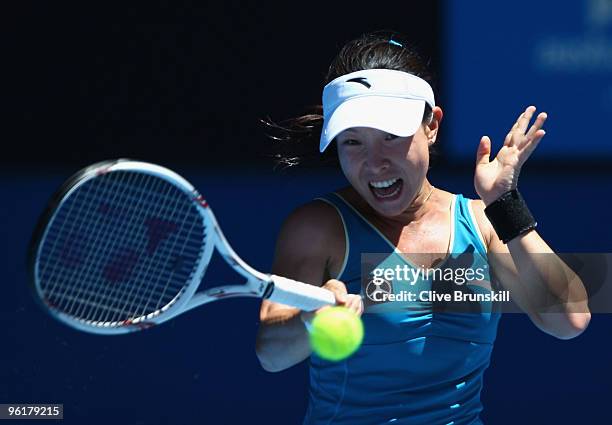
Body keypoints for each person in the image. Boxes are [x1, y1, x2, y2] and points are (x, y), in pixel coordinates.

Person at [255, 31, 591, 425]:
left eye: (390, 137)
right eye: (352, 143)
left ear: (431, 125)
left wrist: (506, 207)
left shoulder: (484, 223)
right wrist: (312, 317)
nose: (374, 162)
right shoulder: (317, 228)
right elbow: (271, 353)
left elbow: (569, 319)